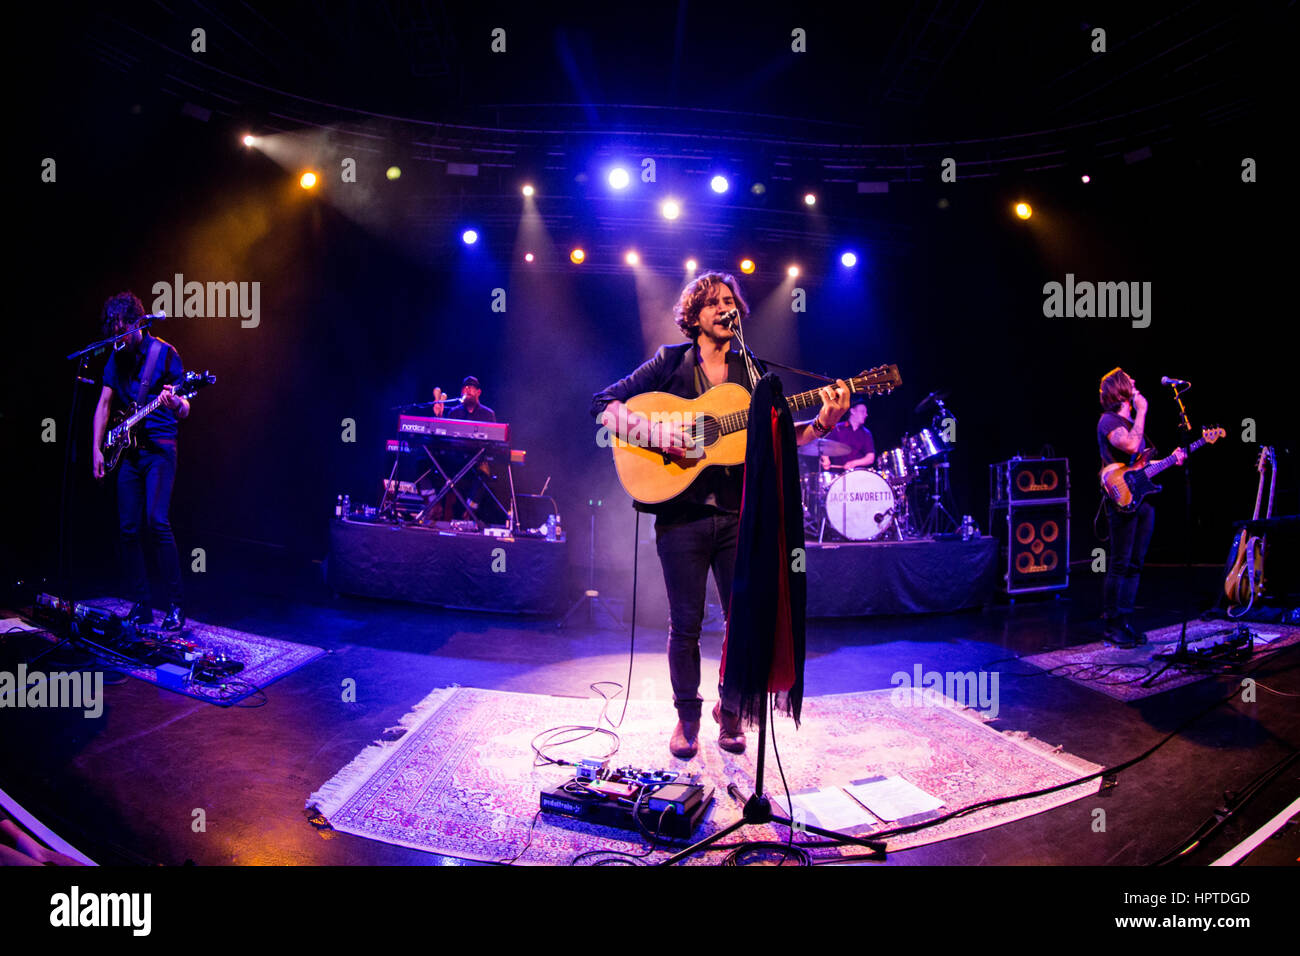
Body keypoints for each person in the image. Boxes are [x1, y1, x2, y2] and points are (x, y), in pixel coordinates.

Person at [592, 271, 850, 758]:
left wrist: (821, 422)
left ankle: (730, 712)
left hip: (738, 517)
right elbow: (604, 405)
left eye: (729, 301)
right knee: (685, 624)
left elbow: (776, 437)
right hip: (681, 517)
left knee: (743, 621)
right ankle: (687, 717)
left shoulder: (751, 372)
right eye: (712, 302)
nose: (723, 309)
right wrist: (657, 436)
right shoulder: (669, 362)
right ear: (694, 315)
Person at [91, 292, 190, 630]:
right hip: (129, 453)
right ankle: (142, 604)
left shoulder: (164, 353)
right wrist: (96, 450)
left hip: (160, 449)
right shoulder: (116, 358)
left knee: (156, 520)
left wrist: (175, 403)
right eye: (113, 333)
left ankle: (176, 606)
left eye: (124, 331)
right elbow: (104, 404)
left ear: (137, 323)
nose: (119, 338)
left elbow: (186, 405)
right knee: (127, 528)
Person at [1097, 367, 1185, 646]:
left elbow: (1142, 465)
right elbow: (1132, 445)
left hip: (1143, 499)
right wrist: (1143, 410)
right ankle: (1111, 624)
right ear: (1119, 390)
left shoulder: (1130, 422)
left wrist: (1171, 459)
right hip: (1121, 499)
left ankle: (1125, 620)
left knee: (1135, 564)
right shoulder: (1108, 421)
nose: (1135, 381)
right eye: (1129, 380)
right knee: (1120, 563)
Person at [819, 400, 875, 472]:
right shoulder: (837, 428)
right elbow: (822, 444)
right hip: (839, 475)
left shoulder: (866, 433)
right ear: (853, 411)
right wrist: (826, 460)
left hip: (859, 474)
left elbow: (870, 458)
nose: (866, 414)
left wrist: (853, 463)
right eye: (862, 411)